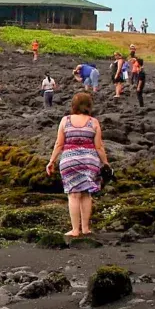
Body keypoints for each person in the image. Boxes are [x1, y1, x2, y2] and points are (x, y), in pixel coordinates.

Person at [46, 92, 111, 237]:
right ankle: (86, 228)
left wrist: (51, 161)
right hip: (90, 160)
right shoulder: (93, 122)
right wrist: (105, 163)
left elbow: (59, 144)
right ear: (89, 105)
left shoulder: (65, 120)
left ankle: (75, 230)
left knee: (73, 195)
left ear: (73, 105)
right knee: (86, 194)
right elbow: (99, 147)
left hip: (69, 160)